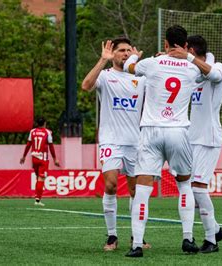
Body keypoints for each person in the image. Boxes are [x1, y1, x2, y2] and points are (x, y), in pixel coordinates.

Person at [122, 25, 205, 257]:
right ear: (185, 45)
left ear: (165, 44)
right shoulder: (191, 68)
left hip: (151, 131)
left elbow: (129, 67)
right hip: (178, 131)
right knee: (184, 185)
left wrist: (136, 55)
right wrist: (189, 58)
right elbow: (209, 73)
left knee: (142, 190)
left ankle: (137, 244)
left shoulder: (151, 63)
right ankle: (188, 239)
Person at [81, 37, 148, 251]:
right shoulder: (106, 76)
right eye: (121, 50)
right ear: (114, 54)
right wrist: (102, 60)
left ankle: (136, 236)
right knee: (110, 184)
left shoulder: (141, 78)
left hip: (135, 142)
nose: (126, 53)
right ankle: (111, 236)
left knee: (136, 190)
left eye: (129, 50)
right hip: (111, 140)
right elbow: (85, 86)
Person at [168, 35, 222, 253]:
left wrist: (189, 58)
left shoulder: (217, 65)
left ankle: (211, 240)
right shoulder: (192, 73)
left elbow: (214, 75)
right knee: (187, 188)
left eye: (183, 50)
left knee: (199, 189)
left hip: (209, 138)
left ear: (190, 49)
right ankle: (216, 228)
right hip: (191, 138)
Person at [20, 117, 60, 206]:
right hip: (43, 158)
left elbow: (28, 144)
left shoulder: (32, 131)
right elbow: (51, 147)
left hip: (34, 158)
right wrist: (55, 158)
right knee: (41, 178)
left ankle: (37, 197)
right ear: (45, 123)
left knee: (38, 178)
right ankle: (37, 200)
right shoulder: (48, 132)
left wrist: (23, 156)